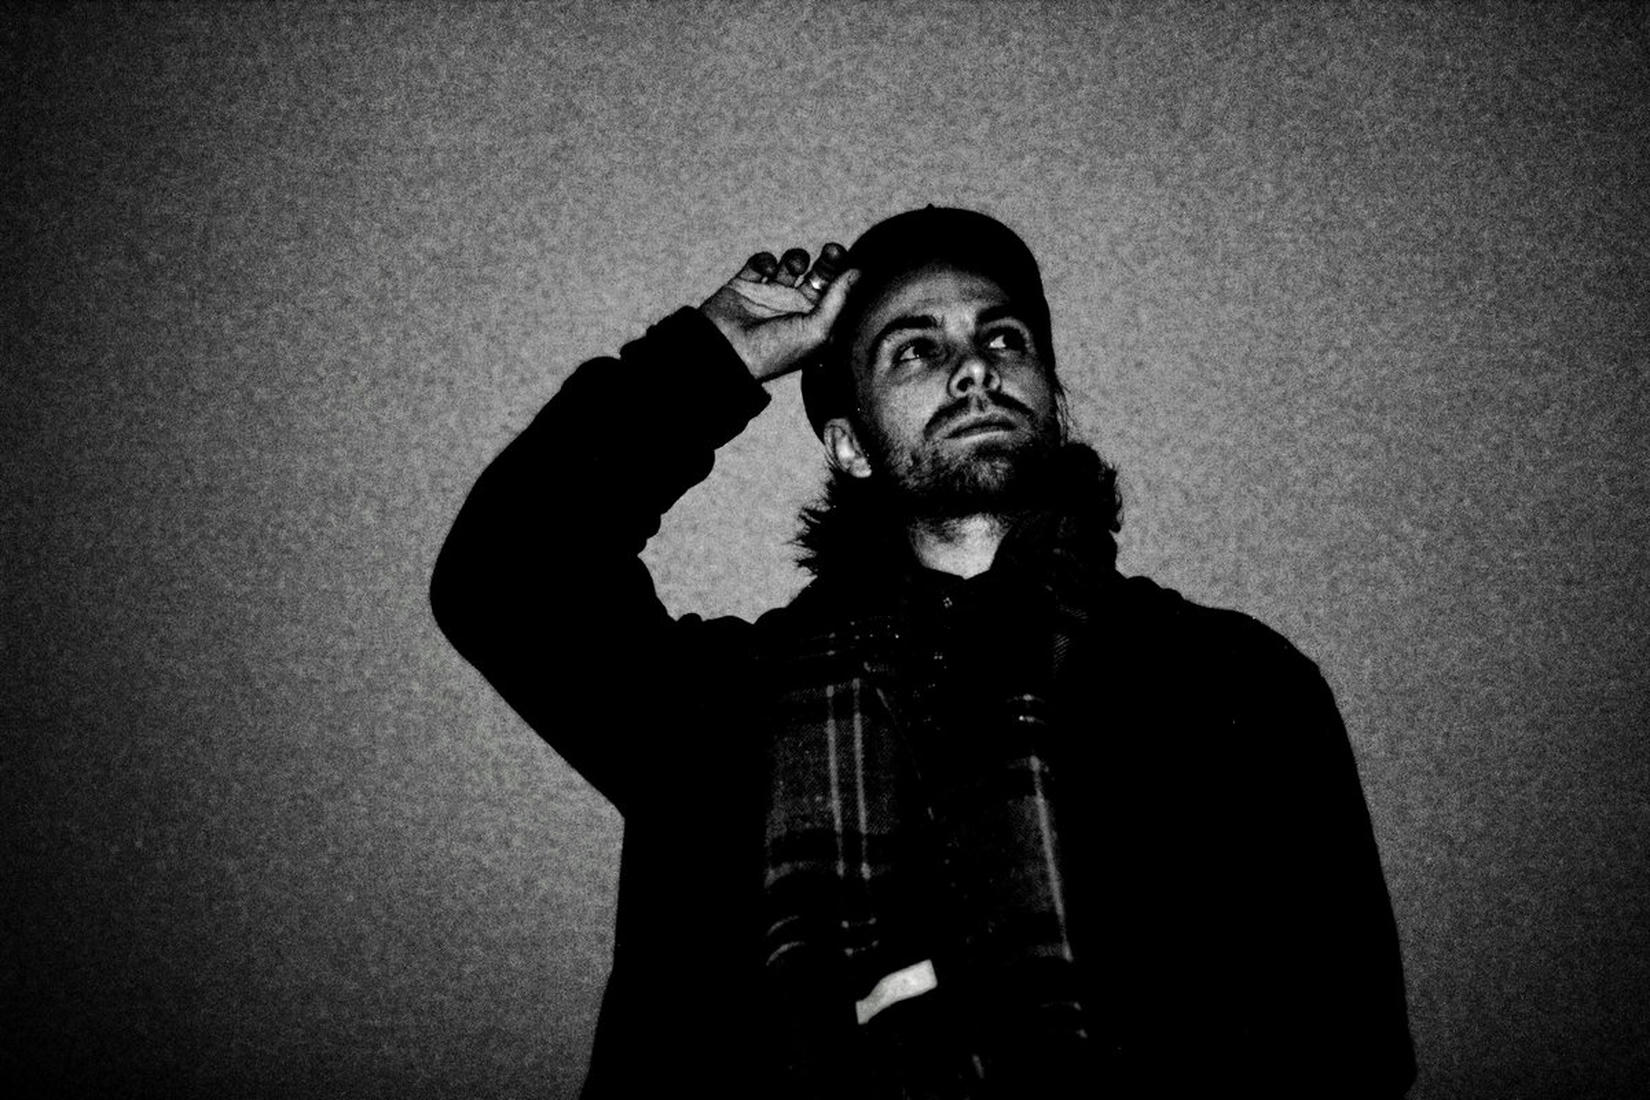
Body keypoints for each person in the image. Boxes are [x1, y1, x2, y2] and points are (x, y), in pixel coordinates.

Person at [430, 207, 1417, 1097]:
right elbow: (507, 577)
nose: (976, 367)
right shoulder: (727, 710)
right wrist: (709, 357)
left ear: (1051, 394)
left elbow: (1345, 1051)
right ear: (851, 444)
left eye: (1004, 338)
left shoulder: (1231, 682)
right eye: (916, 349)